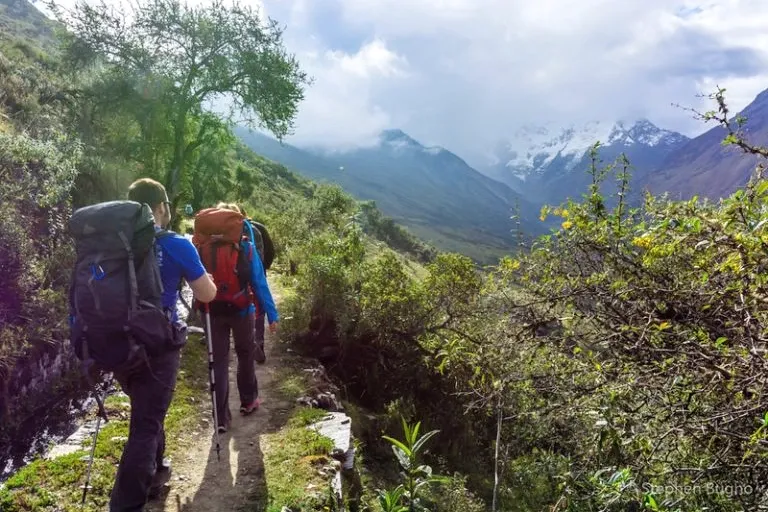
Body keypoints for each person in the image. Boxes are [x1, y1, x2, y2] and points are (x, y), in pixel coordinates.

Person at [111, 178, 217, 511]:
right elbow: (206, 294)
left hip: (117, 341)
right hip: (158, 344)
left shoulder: (115, 243)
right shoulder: (175, 244)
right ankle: (126, 505)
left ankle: (156, 470)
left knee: (147, 411)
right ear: (161, 207)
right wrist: (207, 279)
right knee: (145, 422)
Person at [199, 202, 279, 434]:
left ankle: (221, 417)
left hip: (211, 311)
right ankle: (248, 401)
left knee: (219, 361)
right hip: (242, 309)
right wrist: (271, 315)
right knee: (245, 354)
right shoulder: (245, 247)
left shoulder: (200, 246)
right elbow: (259, 282)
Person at [240, 207, 275, 364]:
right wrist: (263, 268)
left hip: (232, 281)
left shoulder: (220, 233)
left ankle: (243, 345)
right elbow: (271, 251)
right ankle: (258, 343)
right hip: (256, 272)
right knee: (258, 309)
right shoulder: (258, 228)